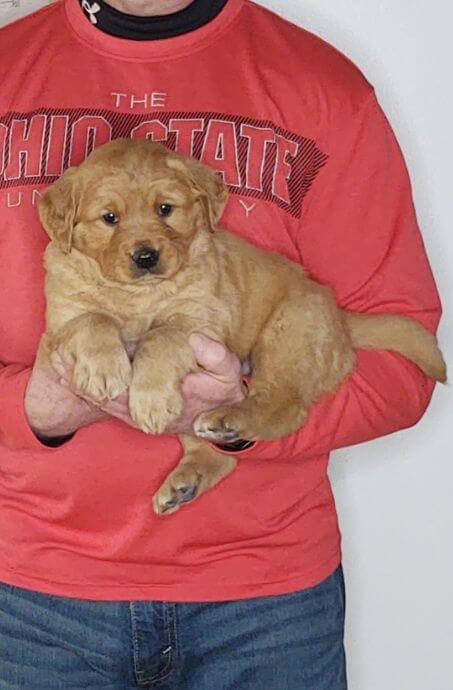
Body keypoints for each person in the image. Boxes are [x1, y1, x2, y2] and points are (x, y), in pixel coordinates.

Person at [0, 0, 442, 688]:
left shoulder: (319, 86)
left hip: (266, 602)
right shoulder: (7, 69)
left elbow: (394, 369)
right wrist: (36, 409)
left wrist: (240, 423)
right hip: (30, 594)